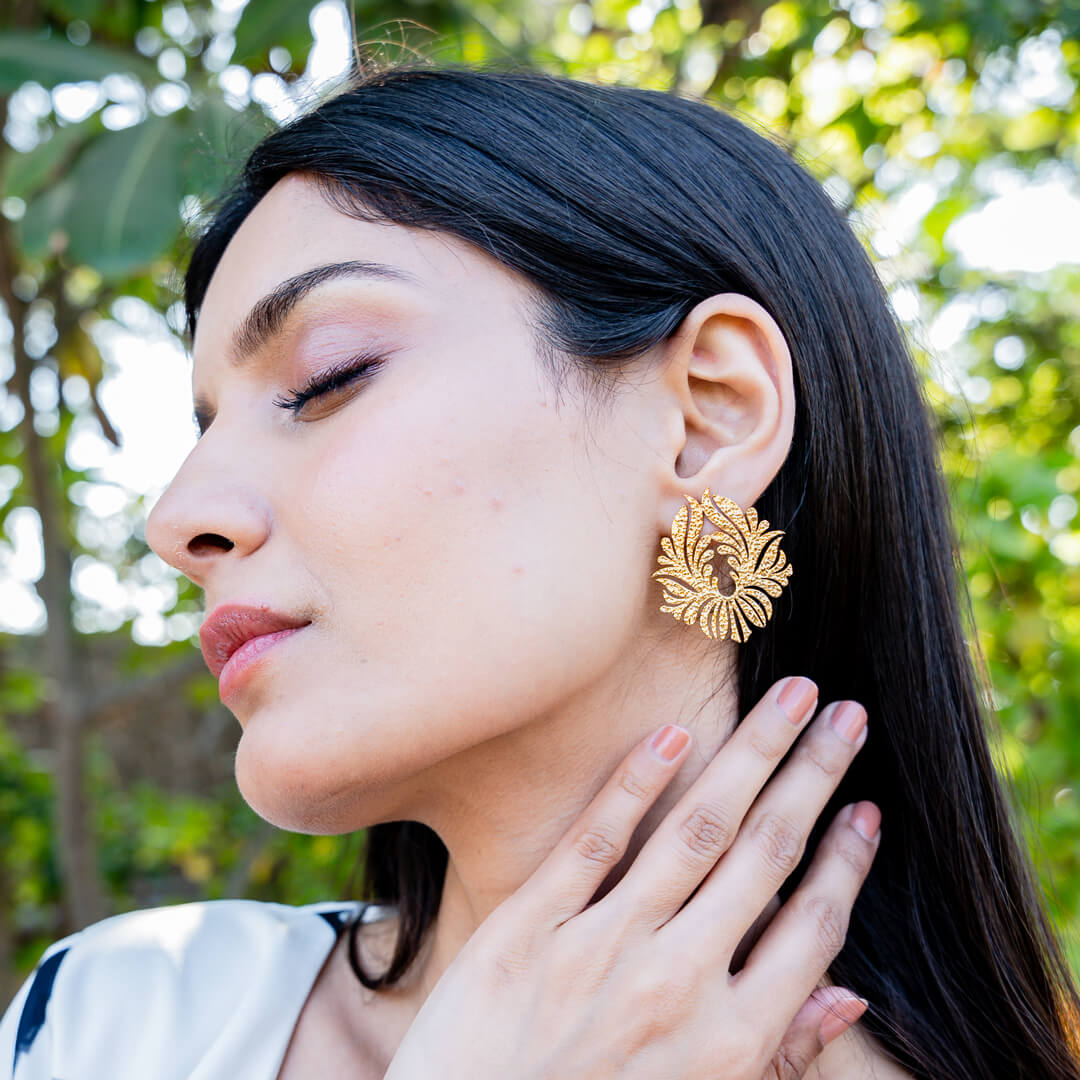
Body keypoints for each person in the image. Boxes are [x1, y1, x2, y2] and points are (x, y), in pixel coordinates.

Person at [2, 62, 1078, 1079]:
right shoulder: (127, 1016)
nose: (178, 515)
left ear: (708, 418)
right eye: (202, 428)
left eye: (327, 378)